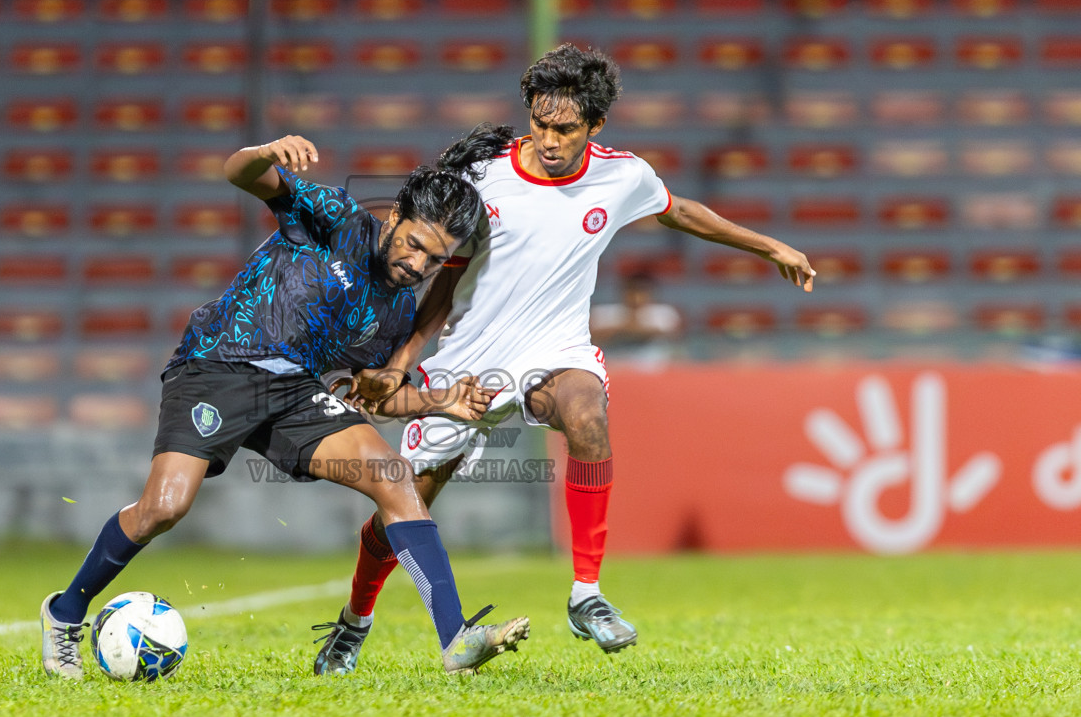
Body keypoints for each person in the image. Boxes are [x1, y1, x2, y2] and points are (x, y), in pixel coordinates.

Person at [313, 44, 815, 675]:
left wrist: (769, 246)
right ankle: (353, 625)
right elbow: (445, 276)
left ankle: (586, 593)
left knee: (587, 414)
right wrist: (404, 358)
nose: (549, 139)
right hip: (468, 362)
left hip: (555, 350)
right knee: (402, 506)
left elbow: (680, 211)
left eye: (565, 128)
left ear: (595, 127)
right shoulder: (483, 174)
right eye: (540, 123)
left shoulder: (622, 175)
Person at [40, 135, 530, 678]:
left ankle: (455, 639)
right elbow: (240, 173)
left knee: (393, 476)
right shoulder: (338, 218)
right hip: (220, 362)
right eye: (414, 244)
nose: (418, 264)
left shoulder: (393, 315)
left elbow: (377, 394)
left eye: (435, 260)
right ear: (394, 217)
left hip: (296, 390)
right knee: (165, 507)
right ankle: (63, 614)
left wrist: (443, 401)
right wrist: (266, 153)